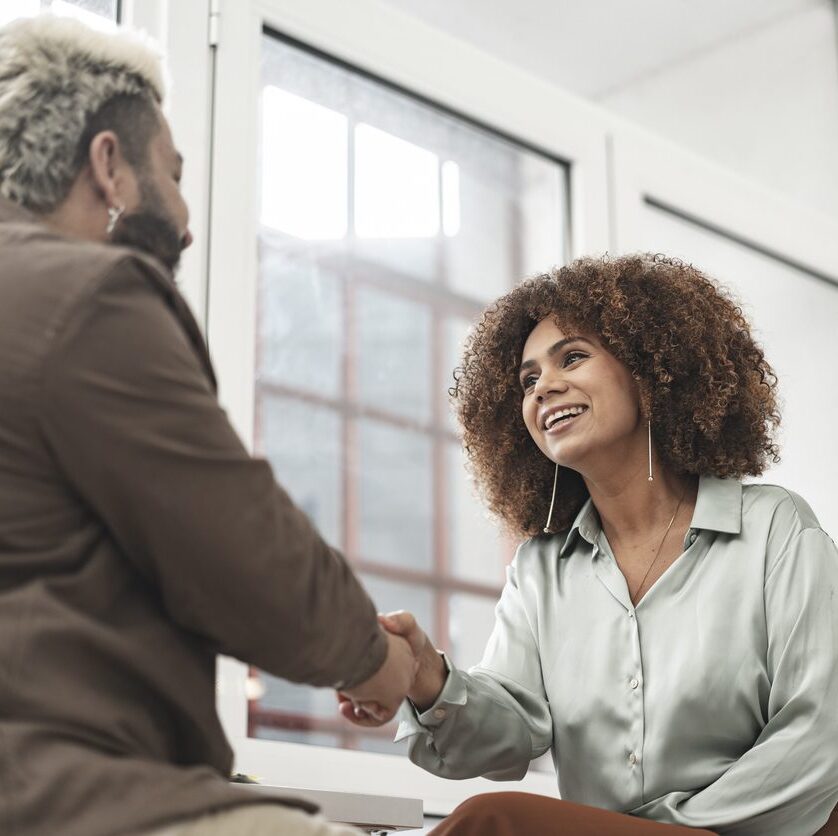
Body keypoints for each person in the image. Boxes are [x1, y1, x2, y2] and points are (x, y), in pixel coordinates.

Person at [0, 14, 417, 836]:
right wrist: (383, 662)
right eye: (175, 173)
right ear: (109, 165)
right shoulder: (87, 295)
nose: (187, 219)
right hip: (58, 788)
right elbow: (249, 558)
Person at [343, 254, 838, 835]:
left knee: (490, 823)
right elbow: (507, 737)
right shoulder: (540, 569)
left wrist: (666, 830)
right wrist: (422, 676)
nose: (544, 387)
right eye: (528, 380)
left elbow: (819, 731)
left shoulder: (776, 529)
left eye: (572, 357)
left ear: (652, 371)